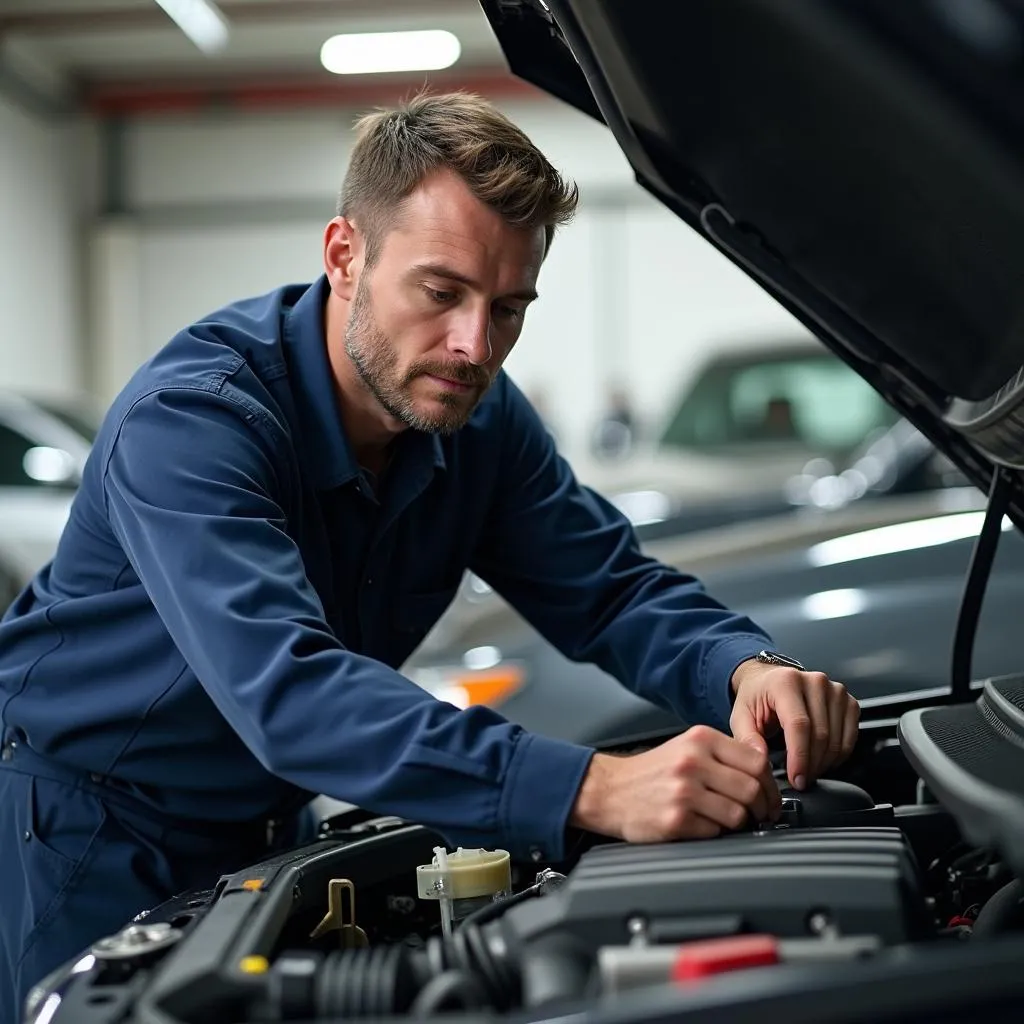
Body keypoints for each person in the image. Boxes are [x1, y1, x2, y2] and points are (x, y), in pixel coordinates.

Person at [0, 91, 859, 1020]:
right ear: (345, 256)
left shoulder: (476, 417)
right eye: (441, 292)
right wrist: (591, 788)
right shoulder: (196, 423)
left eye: (508, 308)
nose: (473, 346)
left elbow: (608, 589)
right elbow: (292, 693)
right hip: (92, 831)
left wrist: (743, 668)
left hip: (272, 831)